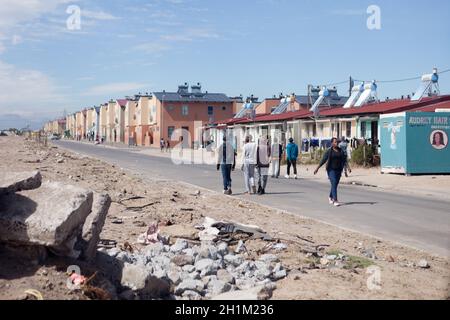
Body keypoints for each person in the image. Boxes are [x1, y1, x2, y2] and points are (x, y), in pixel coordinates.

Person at [314, 137, 348, 207]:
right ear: (332, 143)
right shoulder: (329, 151)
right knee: (334, 182)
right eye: (335, 142)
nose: (336, 143)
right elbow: (323, 160)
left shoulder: (341, 150)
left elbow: (344, 160)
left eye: (337, 142)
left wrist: (347, 168)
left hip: (339, 169)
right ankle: (335, 200)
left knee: (335, 184)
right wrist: (317, 168)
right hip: (330, 169)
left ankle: (330, 196)